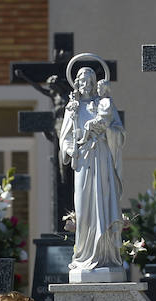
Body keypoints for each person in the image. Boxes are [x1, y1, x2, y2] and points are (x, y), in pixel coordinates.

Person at [59, 66, 125, 276]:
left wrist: (106, 130)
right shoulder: (73, 108)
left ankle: (104, 255)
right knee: (84, 206)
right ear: (76, 83)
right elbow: (65, 137)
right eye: (82, 81)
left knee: (103, 204)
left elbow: (119, 132)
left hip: (102, 158)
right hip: (83, 161)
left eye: (89, 80)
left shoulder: (104, 103)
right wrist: (71, 148)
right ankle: (83, 255)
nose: (85, 84)